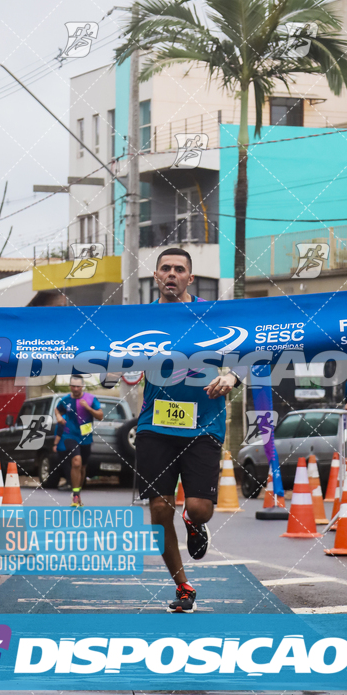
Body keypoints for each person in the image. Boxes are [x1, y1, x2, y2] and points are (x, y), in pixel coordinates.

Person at [135, 248, 242, 613]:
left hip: (204, 423)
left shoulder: (213, 316)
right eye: (165, 268)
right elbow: (109, 353)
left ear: (190, 279)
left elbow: (252, 353)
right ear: (156, 276)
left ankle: (194, 523)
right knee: (159, 509)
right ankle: (183, 587)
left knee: (199, 509)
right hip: (155, 425)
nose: (171, 274)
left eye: (179, 269)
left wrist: (232, 376)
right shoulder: (139, 318)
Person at [54, 375, 103, 506]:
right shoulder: (65, 400)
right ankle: (75, 495)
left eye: (78, 386)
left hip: (86, 436)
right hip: (70, 435)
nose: (75, 389)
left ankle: (77, 492)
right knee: (76, 462)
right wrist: (59, 417)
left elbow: (100, 416)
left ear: (82, 386)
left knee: (82, 467)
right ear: (70, 386)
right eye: (73, 386)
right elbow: (57, 409)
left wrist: (88, 408)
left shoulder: (91, 399)